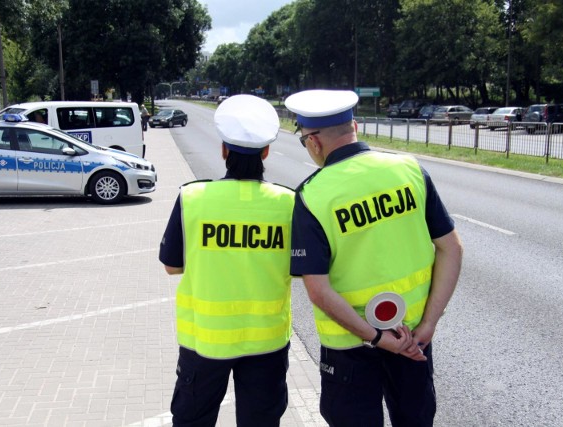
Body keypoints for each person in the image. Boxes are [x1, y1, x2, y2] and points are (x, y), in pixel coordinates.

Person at [285, 89, 463, 427]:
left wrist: (379, 339)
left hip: (349, 349)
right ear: (355, 125)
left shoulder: (312, 196)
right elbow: (452, 248)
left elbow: (319, 291)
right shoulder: (408, 169)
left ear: (314, 142)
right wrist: (427, 326)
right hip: (414, 338)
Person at [159, 94, 295, 427]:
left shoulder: (193, 198)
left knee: (193, 420)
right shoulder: (289, 204)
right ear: (265, 152)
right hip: (266, 343)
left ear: (223, 151)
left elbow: (172, 265)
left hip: (205, 342)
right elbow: (303, 269)